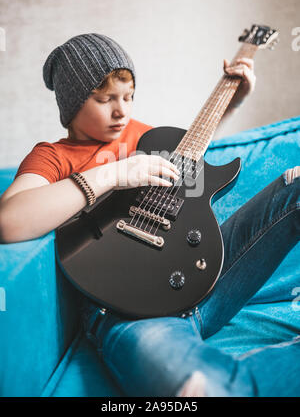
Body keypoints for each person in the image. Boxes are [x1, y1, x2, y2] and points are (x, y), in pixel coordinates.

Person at [0, 33, 299, 397]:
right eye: (104, 99)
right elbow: (10, 220)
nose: (121, 111)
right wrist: (114, 174)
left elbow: (190, 162)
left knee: (294, 186)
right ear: (73, 102)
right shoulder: (53, 155)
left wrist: (231, 104)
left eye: (128, 97)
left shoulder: (144, 136)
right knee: (194, 388)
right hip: (130, 309)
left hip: (211, 278)